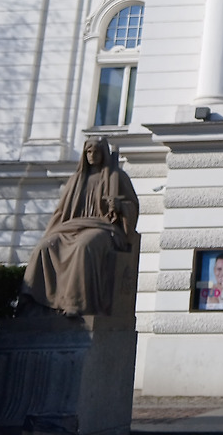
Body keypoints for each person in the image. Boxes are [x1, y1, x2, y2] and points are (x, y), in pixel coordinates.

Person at [21, 136, 139, 317]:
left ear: (104, 154)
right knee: (45, 247)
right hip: (71, 226)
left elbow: (133, 206)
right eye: (88, 152)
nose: (92, 155)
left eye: (96, 152)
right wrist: (50, 232)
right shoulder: (76, 180)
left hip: (104, 228)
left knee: (84, 246)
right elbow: (61, 211)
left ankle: (76, 303)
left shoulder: (117, 177)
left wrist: (120, 206)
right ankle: (34, 301)